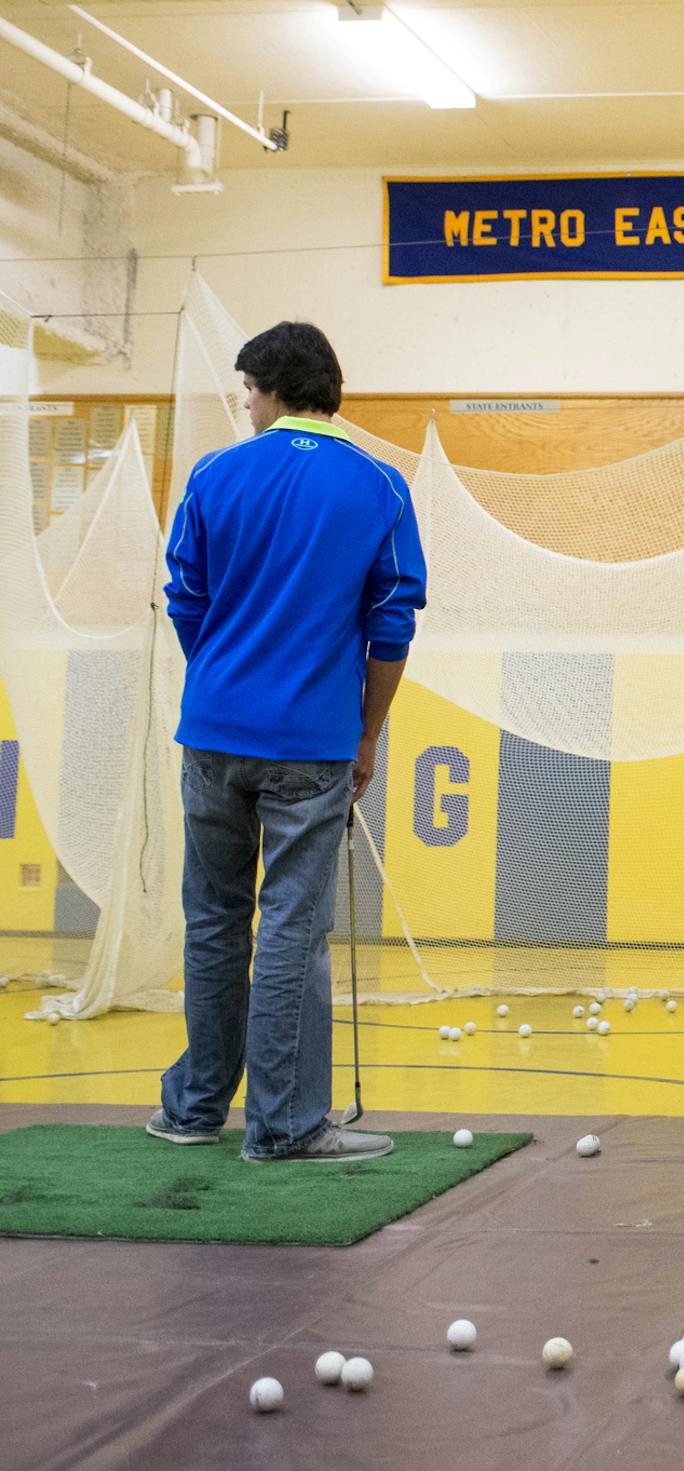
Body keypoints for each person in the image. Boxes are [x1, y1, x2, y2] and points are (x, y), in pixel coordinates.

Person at [146, 321, 426, 1162]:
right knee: (291, 929)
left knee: (214, 920)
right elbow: (390, 626)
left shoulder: (214, 474)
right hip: (312, 744)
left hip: (213, 736)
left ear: (272, 388)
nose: (245, 407)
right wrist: (368, 734)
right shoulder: (378, 486)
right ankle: (285, 1126)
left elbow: (185, 599)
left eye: (247, 392)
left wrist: (230, 679)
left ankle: (196, 1109)